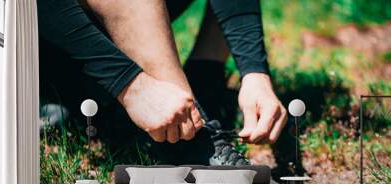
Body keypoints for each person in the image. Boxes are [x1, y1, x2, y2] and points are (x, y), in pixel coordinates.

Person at [37, 0, 288, 167]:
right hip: (44, 49)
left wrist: (255, 73)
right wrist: (131, 85)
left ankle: (203, 85)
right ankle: (194, 142)